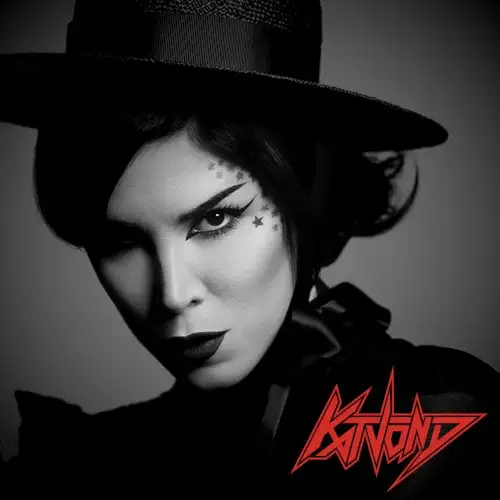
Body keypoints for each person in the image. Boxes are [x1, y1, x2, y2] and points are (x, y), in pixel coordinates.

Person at [0, 0, 499, 497]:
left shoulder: (446, 422)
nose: (172, 293)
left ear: (312, 198)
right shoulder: (76, 469)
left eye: (216, 219)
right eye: (122, 241)